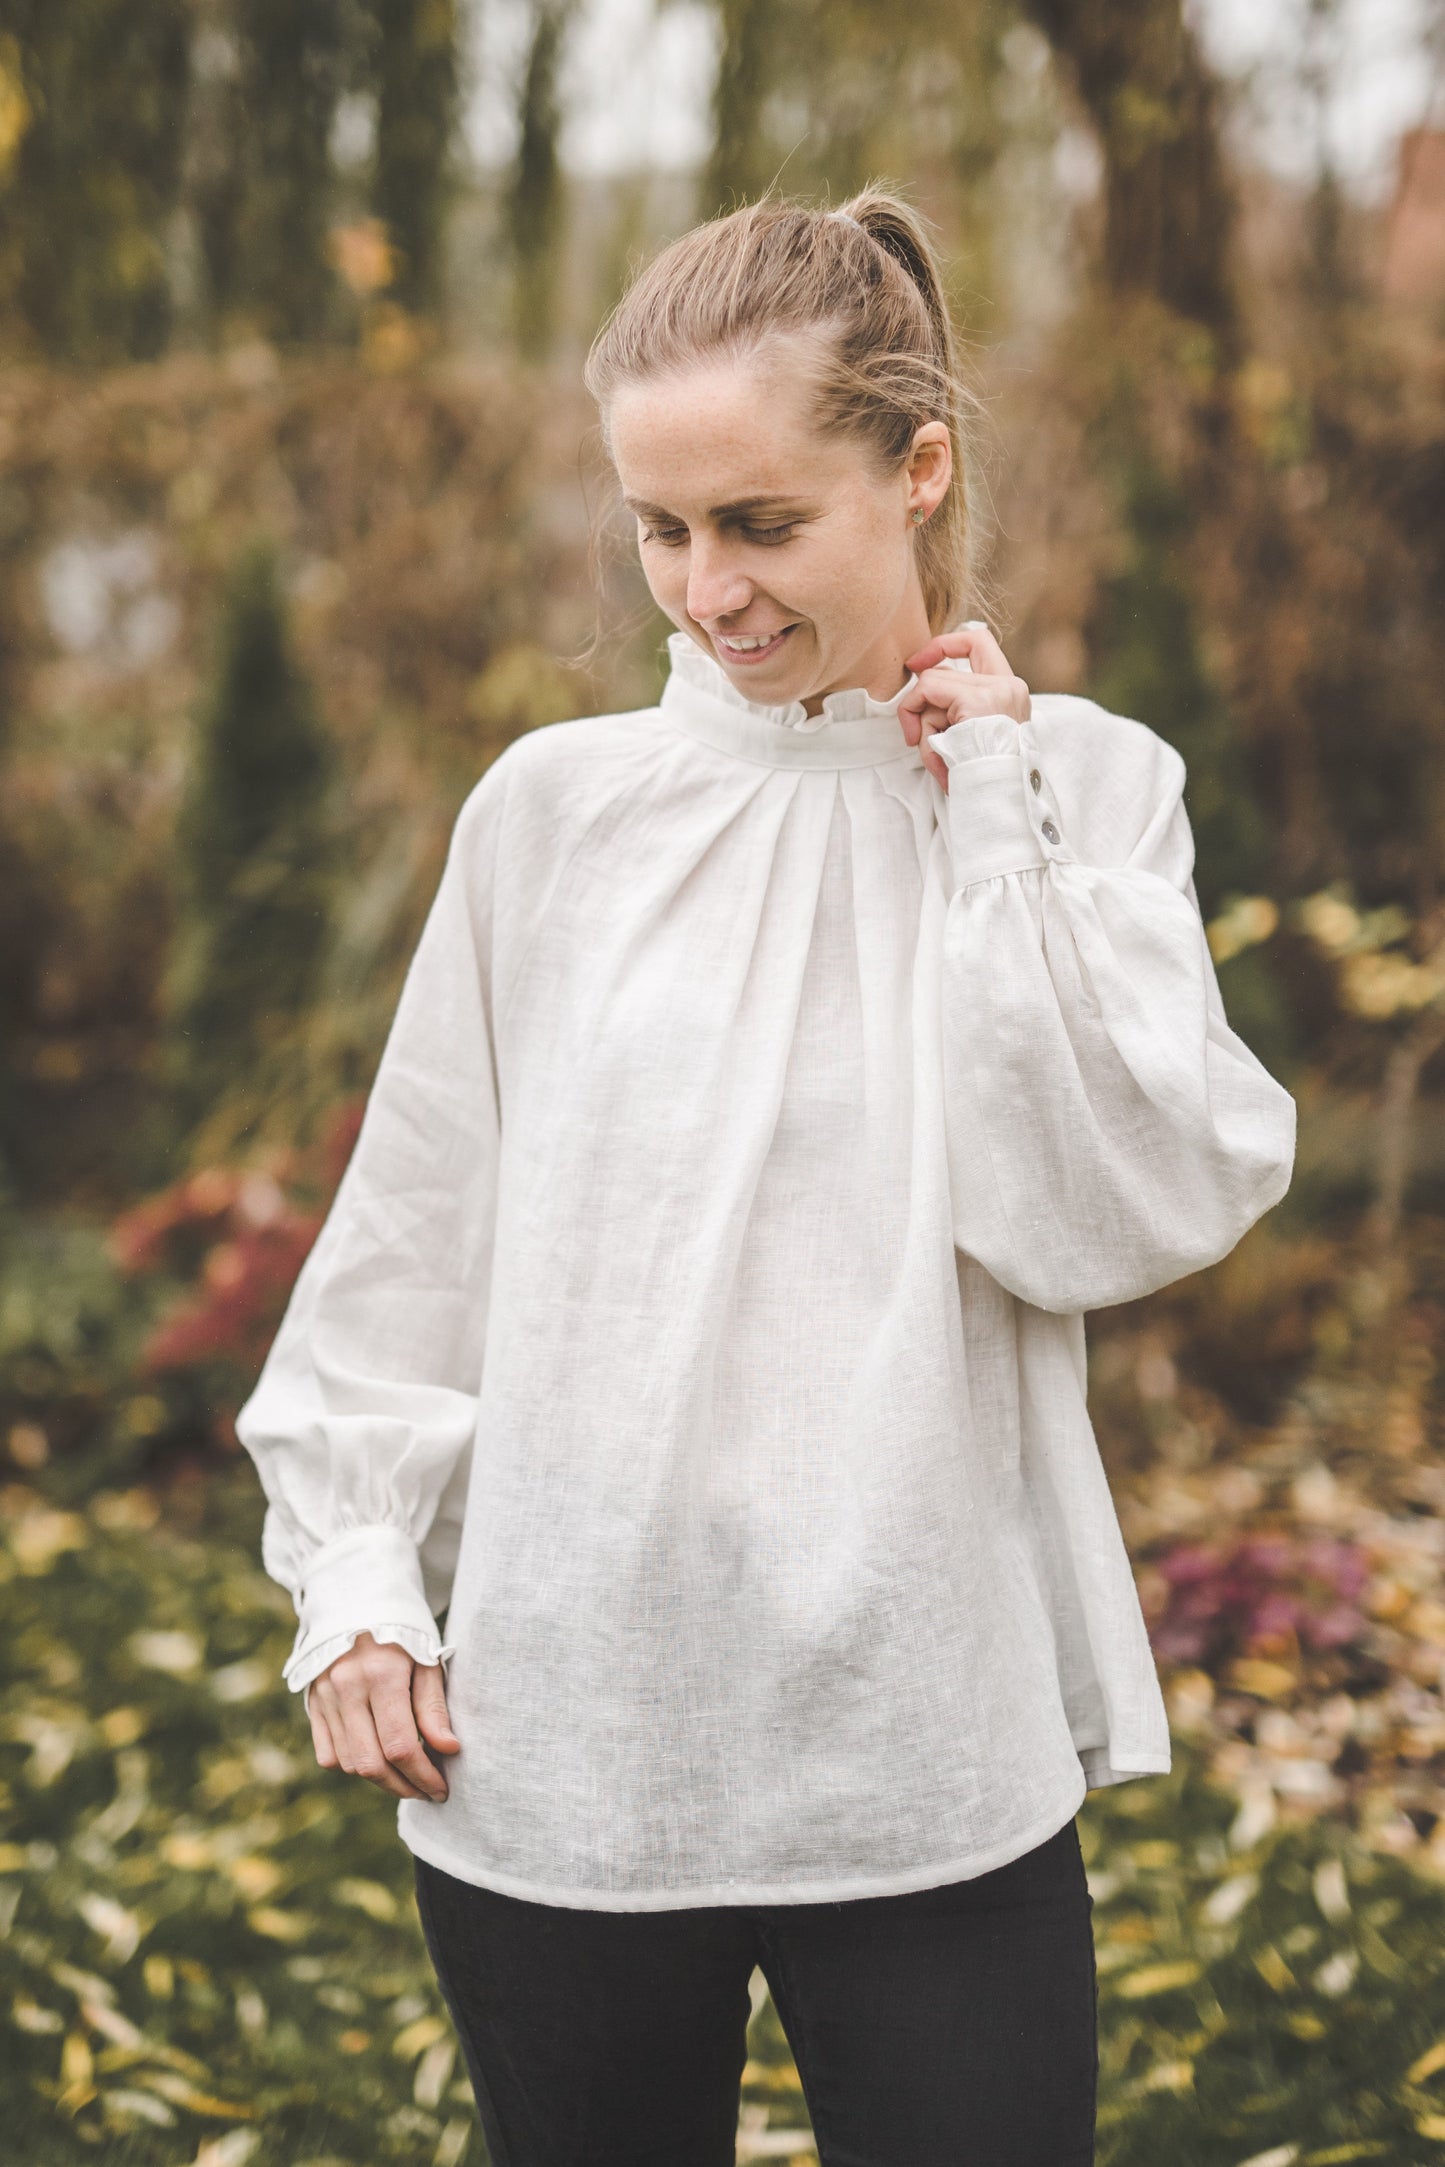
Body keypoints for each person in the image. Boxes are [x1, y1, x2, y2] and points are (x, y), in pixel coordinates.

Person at [235, 187, 1296, 2167]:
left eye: (761, 524)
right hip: (567, 1751)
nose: (704, 591)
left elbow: (1101, 1204)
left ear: (918, 467)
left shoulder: (1088, 792)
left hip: (922, 1752)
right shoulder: (551, 817)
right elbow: (415, 1237)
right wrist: (362, 1579)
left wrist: (986, 816)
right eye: (661, 527)